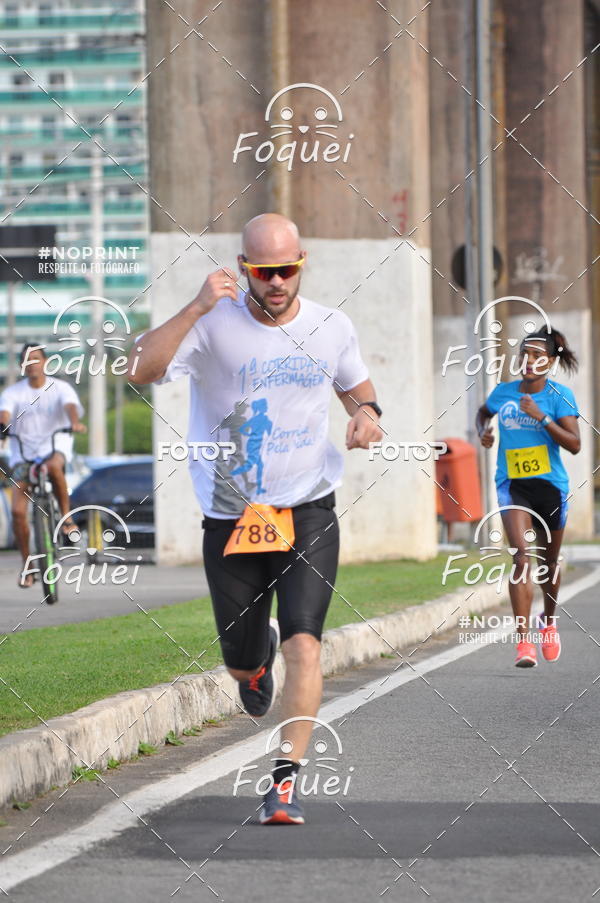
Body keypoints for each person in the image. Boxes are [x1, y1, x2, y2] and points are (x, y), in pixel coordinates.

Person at [128, 213, 382, 824]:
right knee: (244, 661)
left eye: (286, 269)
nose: (276, 282)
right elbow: (140, 368)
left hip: (308, 512)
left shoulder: (330, 325)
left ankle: (285, 782)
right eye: (264, 271)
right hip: (233, 516)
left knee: (308, 646)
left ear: (303, 263)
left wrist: (368, 416)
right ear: (243, 268)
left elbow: (358, 389)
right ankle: (252, 659)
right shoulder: (213, 325)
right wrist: (193, 308)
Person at [476, 326, 580, 668]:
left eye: (538, 356)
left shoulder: (558, 396)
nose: (530, 361)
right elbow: (483, 413)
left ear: (550, 362)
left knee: (549, 564)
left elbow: (575, 444)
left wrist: (543, 418)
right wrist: (484, 433)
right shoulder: (504, 392)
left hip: (551, 486)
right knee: (522, 559)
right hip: (512, 484)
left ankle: (548, 623)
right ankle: (524, 643)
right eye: (526, 354)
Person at [0, 343, 87, 587]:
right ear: (21, 365)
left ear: (45, 362)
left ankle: (66, 518)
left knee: (54, 467)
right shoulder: (13, 393)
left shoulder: (61, 388)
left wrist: (74, 423)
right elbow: (4, 413)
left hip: (54, 446)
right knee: (18, 512)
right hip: (23, 455)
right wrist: (2, 429)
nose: (32, 364)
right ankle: (28, 566)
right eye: (26, 360)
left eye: (36, 359)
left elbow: (70, 407)